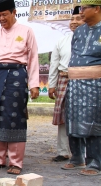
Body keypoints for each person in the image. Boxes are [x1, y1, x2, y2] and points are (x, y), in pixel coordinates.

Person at [0, 0, 39, 175]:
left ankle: (16, 162)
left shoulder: (26, 31)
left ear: (14, 12)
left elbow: (33, 57)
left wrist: (34, 84)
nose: (1, 18)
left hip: (17, 76)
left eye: (4, 14)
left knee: (14, 117)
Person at [61, 1, 101, 176]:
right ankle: (76, 158)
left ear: (97, 9)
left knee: (93, 122)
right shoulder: (79, 31)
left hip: (95, 85)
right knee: (72, 119)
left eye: (85, 8)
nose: (82, 11)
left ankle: (94, 162)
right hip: (75, 84)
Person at [48, 6, 84, 162]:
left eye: (78, 19)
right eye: (72, 19)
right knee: (63, 118)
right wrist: (51, 85)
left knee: (84, 117)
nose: (74, 22)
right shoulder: (62, 41)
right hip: (64, 81)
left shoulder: (93, 40)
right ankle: (63, 151)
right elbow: (54, 64)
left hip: (84, 80)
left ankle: (85, 154)